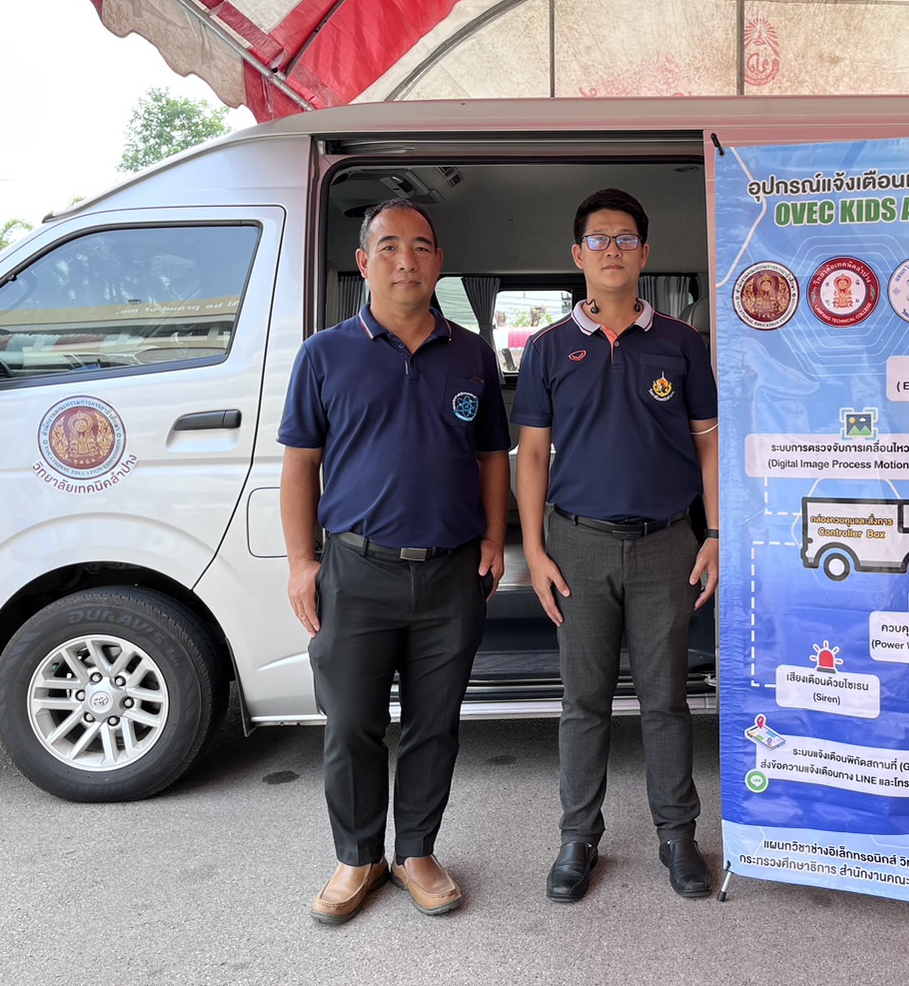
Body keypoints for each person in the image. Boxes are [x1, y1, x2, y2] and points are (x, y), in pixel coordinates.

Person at [279, 198, 510, 924]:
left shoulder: (471, 353)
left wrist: (492, 538)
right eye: (388, 246)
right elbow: (300, 464)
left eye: (420, 246)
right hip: (356, 570)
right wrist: (301, 563)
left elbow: (492, 455)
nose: (405, 260)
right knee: (350, 723)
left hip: (451, 572)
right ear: (363, 263)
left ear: (438, 262)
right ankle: (358, 856)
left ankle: (415, 851)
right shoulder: (324, 354)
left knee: (434, 723)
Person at [513, 188, 719, 902]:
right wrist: (536, 549)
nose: (611, 249)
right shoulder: (548, 348)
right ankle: (578, 836)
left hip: (667, 543)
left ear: (644, 253)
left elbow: (708, 444)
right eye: (598, 239)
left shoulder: (680, 344)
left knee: (666, 700)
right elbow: (531, 455)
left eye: (625, 238)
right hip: (578, 546)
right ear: (578, 254)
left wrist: (714, 533)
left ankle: (678, 834)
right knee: (584, 701)